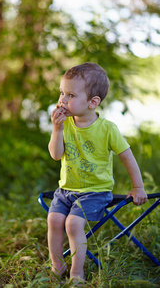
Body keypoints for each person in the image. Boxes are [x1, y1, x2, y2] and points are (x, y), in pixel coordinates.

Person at [47, 62, 147, 282]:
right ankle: (57, 265)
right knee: (54, 219)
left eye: (71, 95)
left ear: (93, 102)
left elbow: (127, 157)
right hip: (66, 189)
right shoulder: (64, 124)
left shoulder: (107, 129)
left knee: (72, 224)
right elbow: (56, 154)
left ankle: (77, 273)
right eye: (62, 93)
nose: (63, 100)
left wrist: (138, 187)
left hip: (95, 192)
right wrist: (57, 129)